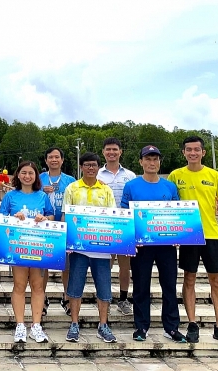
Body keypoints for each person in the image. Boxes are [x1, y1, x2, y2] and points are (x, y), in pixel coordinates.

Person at [169, 135, 218, 347]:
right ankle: (192, 324)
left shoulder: (214, 175)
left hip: (210, 234)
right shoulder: (175, 176)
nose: (193, 153)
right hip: (188, 235)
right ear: (184, 152)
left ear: (203, 152)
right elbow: (169, 205)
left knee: (216, 280)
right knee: (189, 279)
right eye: (189, 149)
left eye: (196, 149)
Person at [121, 145, 186, 343]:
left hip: (166, 245)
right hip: (141, 246)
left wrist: (178, 235)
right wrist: (131, 238)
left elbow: (177, 214)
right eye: (148, 159)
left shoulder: (169, 186)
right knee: (141, 286)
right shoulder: (131, 186)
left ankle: (171, 327)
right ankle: (141, 326)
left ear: (159, 162)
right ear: (141, 162)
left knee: (169, 286)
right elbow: (125, 215)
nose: (152, 163)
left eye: (155, 159)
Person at [62, 152, 116, 343]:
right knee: (75, 287)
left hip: (101, 248)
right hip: (78, 248)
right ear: (81, 167)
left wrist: (115, 244)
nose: (90, 168)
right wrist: (67, 241)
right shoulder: (72, 188)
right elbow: (65, 216)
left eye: (94, 165)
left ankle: (103, 325)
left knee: (104, 288)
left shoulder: (106, 190)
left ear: (98, 167)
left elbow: (113, 218)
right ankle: (74, 324)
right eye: (87, 165)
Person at [0, 160, 54, 343]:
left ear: (36, 176)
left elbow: (51, 215)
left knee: (38, 286)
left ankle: (36, 325)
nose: (27, 176)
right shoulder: (10, 196)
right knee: (19, 285)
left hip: (38, 247)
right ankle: (20, 325)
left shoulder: (42, 196)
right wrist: (14, 218)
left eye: (31, 173)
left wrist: (44, 218)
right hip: (18, 247)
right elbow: (2, 218)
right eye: (23, 172)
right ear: (18, 174)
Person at [97, 137, 136, 316]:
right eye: (108, 149)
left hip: (125, 226)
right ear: (103, 152)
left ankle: (123, 299)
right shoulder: (96, 174)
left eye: (115, 149)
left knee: (124, 266)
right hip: (104, 225)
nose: (111, 152)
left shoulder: (130, 175)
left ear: (120, 152)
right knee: (105, 264)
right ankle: (104, 297)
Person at [40, 146, 76, 316]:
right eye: (50, 157)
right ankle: (41, 298)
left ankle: (67, 297)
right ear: (46, 160)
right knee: (43, 265)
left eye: (57, 157)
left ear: (62, 160)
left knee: (66, 266)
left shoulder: (70, 180)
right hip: (43, 227)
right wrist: (41, 190)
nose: (54, 160)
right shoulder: (39, 178)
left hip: (65, 228)